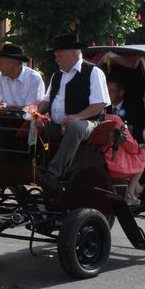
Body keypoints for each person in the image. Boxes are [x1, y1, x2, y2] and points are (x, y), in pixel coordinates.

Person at [36, 33, 110, 184]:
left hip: (89, 122)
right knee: (39, 127)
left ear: (73, 53)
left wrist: (78, 116)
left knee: (75, 127)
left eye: (59, 55)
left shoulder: (93, 72)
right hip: (59, 123)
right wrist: (35, 115)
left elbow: (99, 104)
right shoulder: (57, 75)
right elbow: (46, 101)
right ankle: (37, 167)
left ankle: (53, 172)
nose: (56, 59)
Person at [0, 43, 45, 110]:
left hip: (27, 119)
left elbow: (33, 109)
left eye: (1, 63)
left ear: (13, 64)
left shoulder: (33, 78)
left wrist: (8, 107)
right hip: (1, 119)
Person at [106, 76, 145, 142]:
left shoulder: (133, 110)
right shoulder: (102, 107)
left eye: (111, 90)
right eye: (106, 90)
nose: (107, 93)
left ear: (121, 93)